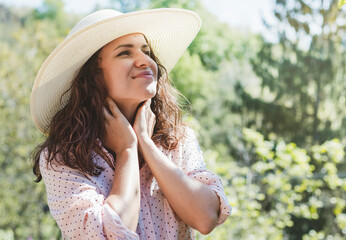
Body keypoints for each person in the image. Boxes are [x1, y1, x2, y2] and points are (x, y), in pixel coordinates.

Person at [31, 8, 231, 240]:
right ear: (94, 76)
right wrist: (126, 149)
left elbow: (205, 218)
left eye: (146, 52)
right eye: (124, 53)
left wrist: (146, 144)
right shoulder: (63, 157)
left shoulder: (178, 139)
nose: (145, 60)